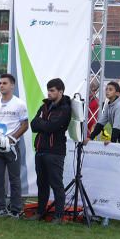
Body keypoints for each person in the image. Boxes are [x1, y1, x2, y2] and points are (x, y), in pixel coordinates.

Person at [0, 73, 28, 218]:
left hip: (12, 146)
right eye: (0, 83)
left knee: (14, 178)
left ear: (12, 85)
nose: (2, 85)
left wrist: (11, 139)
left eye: (5, 83)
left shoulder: (19, 104)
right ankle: (0, 207)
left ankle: (16, 209)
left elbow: (24, 125)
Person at [30, 78, 72, 222]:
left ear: (60, 91)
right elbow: (33, 124)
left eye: (52, 90)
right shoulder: (45, 106)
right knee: (41, 184)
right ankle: (40, 213)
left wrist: (43, 123)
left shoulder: (66, 108)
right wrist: (44, 124)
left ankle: (59, 216)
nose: (49, 93)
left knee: (56, 184)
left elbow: (52, 127)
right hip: (40, 149)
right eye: (48, 90)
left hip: (55, 152)